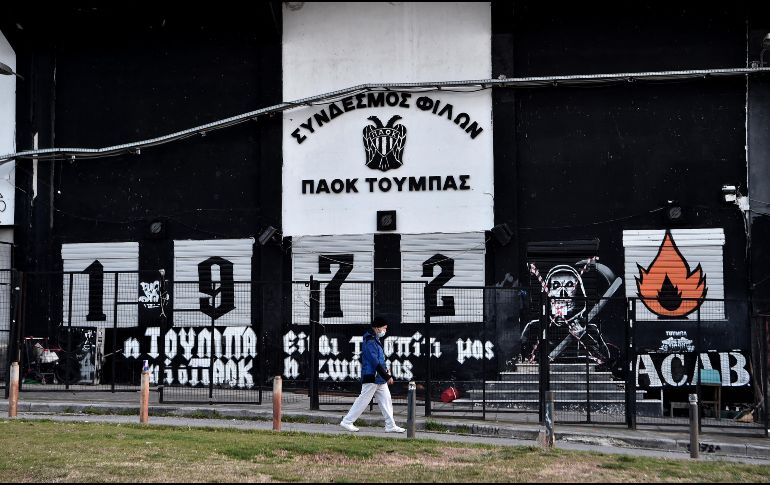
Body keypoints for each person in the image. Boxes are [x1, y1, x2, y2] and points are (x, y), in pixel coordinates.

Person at [339, 316, 405, 433]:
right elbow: (374, 360)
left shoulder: (374, 339)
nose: (385, 330)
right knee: (363, 400)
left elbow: (378, 359)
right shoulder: (370, 341)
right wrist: (386, 376)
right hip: (372, 377)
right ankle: (347, 421)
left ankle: (390, 425)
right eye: (384, 328)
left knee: (386, 400)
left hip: (378, 378)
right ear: (377, 328)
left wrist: (385, 371)